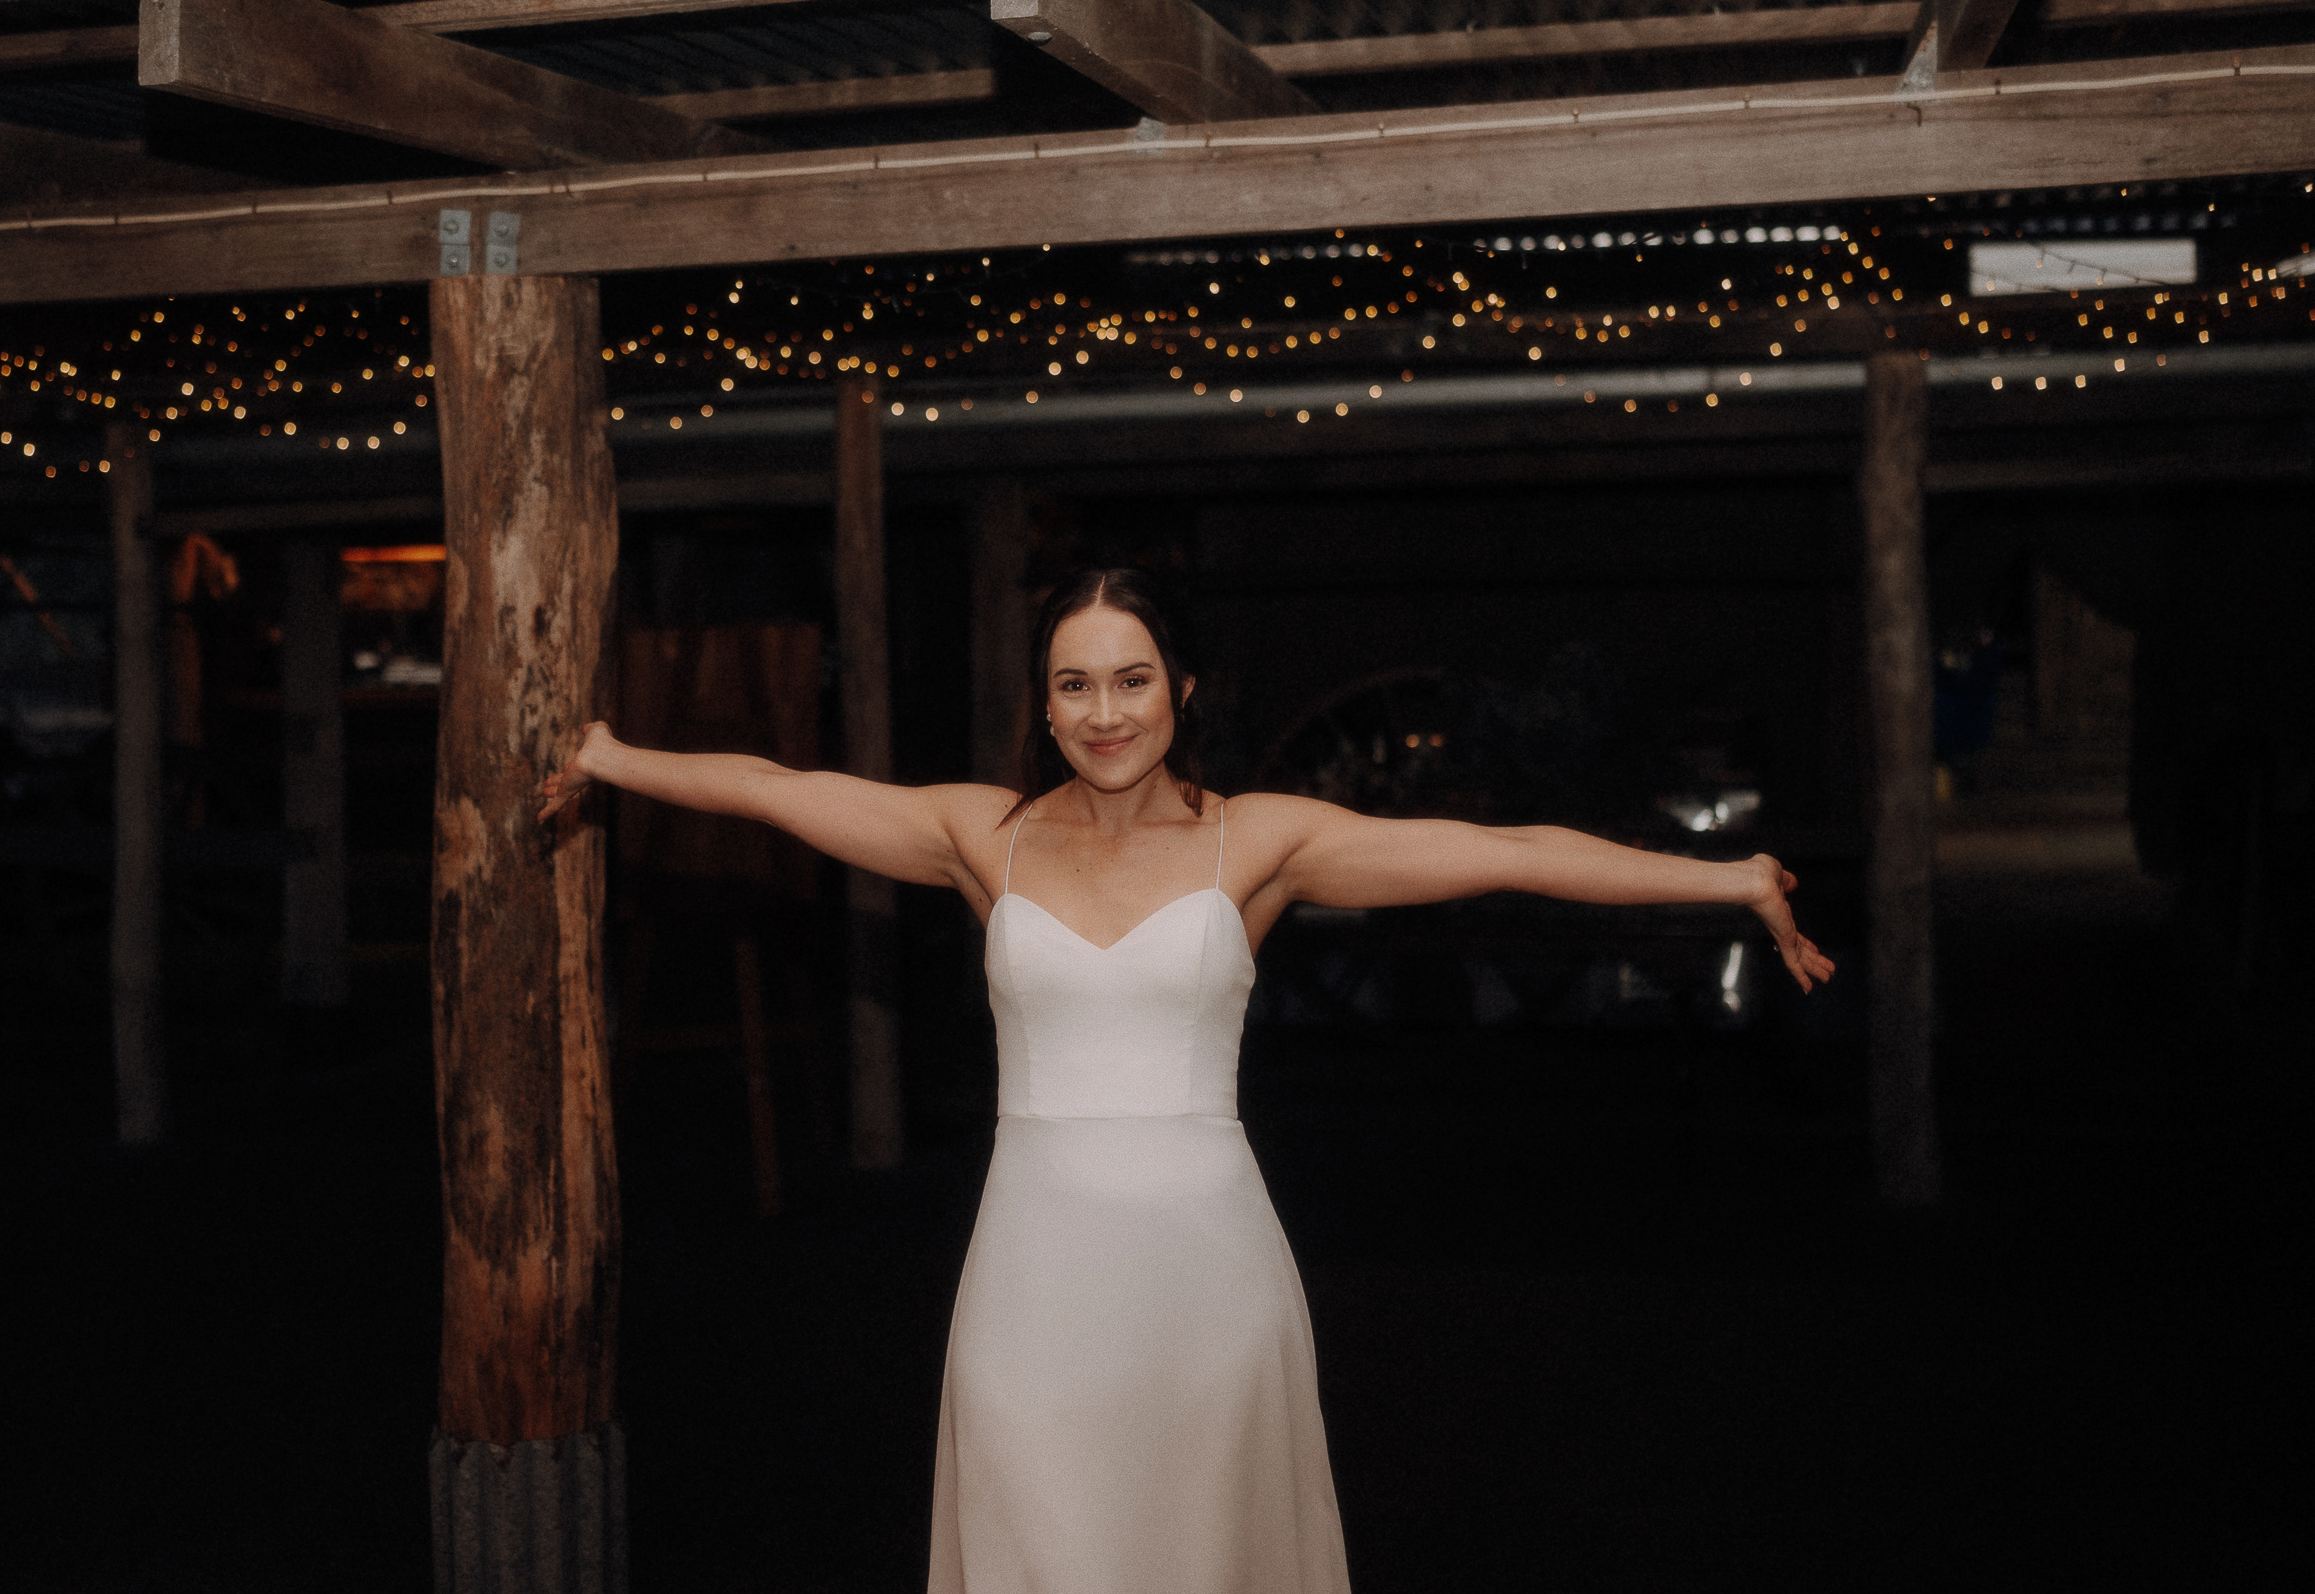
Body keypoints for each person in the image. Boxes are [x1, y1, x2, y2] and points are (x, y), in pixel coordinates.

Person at [537, 566, 1834, 1594]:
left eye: (1133, 679)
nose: (1106, 712)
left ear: (1182, 688)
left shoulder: (1258, 840)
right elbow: (774, 789)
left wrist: (1722, 880)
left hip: (1205, 1270)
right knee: (1043, 1532)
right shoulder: (979, 836)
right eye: (1076, 684)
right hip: (1033, 1267)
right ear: (1044, 704)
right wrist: (606, 759)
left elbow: (1505, 851)